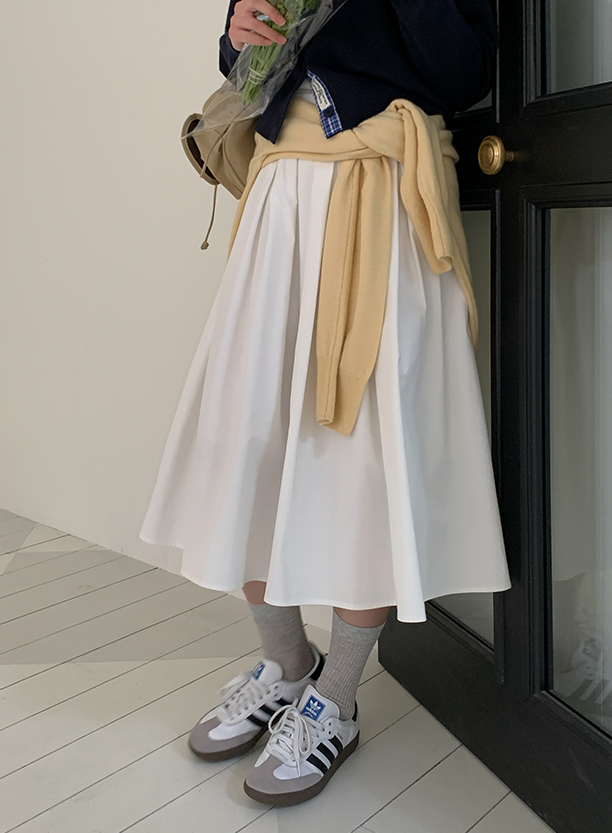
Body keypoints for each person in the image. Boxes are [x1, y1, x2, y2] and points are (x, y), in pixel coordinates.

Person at [139, 0, 511, 807]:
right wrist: (236, 32)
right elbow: (250, 62)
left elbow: (464, 71)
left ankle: (335, 697)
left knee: (360, 458)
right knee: (243, 436)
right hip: (279, 193)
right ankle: (286, 661)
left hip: (381, 189)